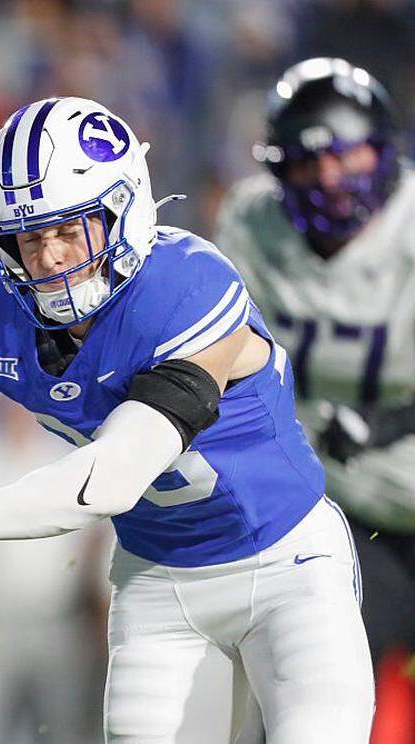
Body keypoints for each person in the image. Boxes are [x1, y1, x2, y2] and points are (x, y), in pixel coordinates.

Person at [0, 95, 375, 742]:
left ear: (125, 210)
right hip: (160, 581)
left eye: (69, 230)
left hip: (287, 563)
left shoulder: (187, 286)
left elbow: (115, 472)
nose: (52, 257)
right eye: (30, 239)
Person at [215, 57, 415, 726]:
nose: (330, 179)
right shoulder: (253, 226)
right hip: (345, 510)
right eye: (307, 161)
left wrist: (387, 424)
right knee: (308, 688)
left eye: (347, 153)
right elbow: (214, 354)